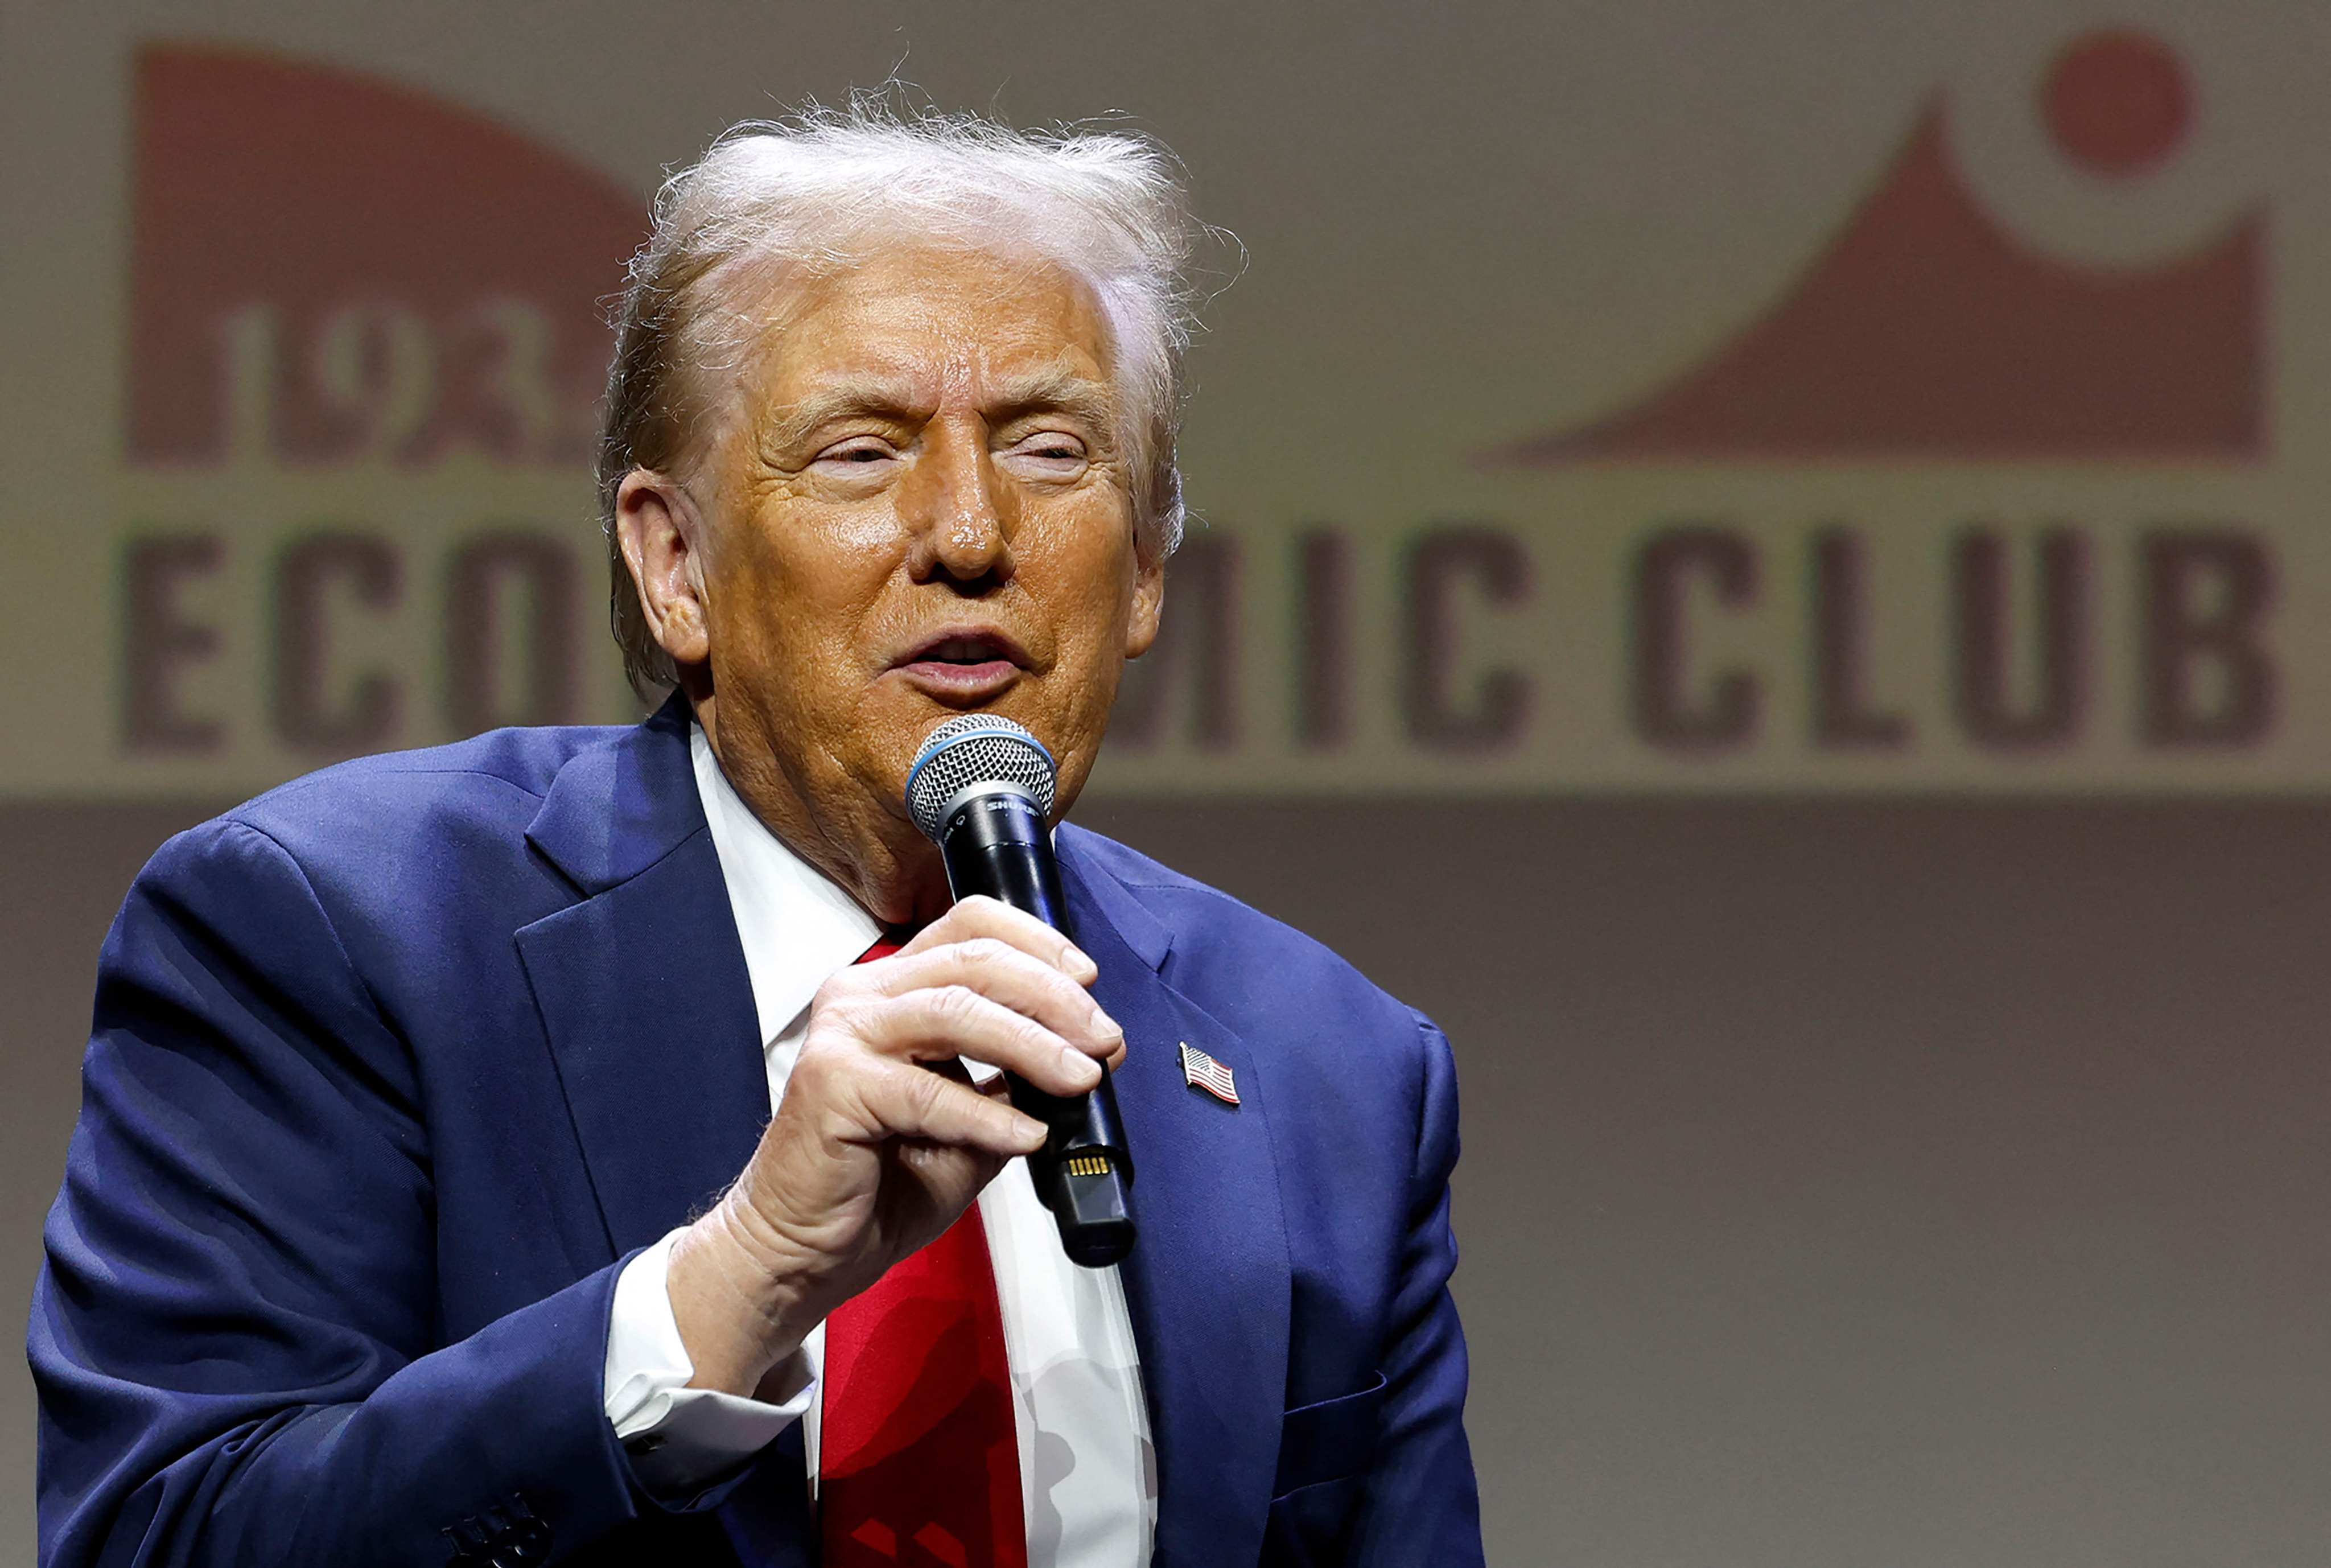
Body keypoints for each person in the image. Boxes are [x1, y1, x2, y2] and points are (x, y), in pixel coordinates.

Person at [30, 104, 1481, 1567]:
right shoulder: (336, 937)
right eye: (860, 453)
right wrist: (737, 1282)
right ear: (675, 566)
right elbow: (165, 1536)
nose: (968, 531)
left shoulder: (1328, 1072)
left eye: (1049, 451)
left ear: (1148, 566)